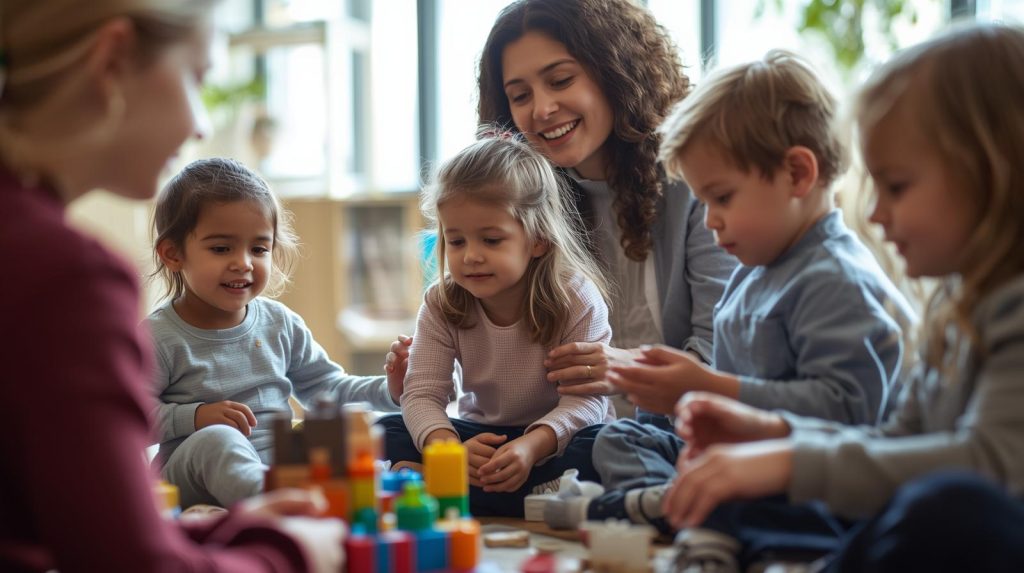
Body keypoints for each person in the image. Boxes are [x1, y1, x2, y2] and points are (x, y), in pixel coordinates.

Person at [662, 24, 1024, 573]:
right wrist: (770, 433)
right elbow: (893, 440)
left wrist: (784, 463)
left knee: (951, 508)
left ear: (994, 171)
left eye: (896, 187)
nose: (875, 214)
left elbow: (993, 465)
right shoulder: (956, 304)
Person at [0, 1, 341, 571]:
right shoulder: (63, 277)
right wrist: (292, 550)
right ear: (112, 60)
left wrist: (232, 532)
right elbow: (134, 562)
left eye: (258, 247)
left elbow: (74, 530)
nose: (200, 125)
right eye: (198, 76)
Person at [545, 50, 916, 534]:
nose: (711, 219)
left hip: (805, 469)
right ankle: (677, 506)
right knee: (620, 437)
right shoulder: (754, 268)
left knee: (779, 508)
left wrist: (706, 387)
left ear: (798, 175)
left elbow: (849, 412)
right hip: (738, 451)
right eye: (703, 202)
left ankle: (683, 512)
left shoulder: (834, 278)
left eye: (722, 198)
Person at [386, 0, 737, 412]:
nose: (542, 110)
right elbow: (497, 367)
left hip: (672, 433)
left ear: (615, 72)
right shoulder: (521, 203)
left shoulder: (696, 184)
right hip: (548, 443)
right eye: (520, 95)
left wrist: (626, 368)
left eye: (561, 80)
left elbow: (723, 358)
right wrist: (417, 379)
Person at [378, 132, 614, 517]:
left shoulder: (576, 297)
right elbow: (421, 394)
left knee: (607, 442)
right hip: (479, 442)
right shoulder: (442, 302)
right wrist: (446, 449)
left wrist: (531, 446)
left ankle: (445, 490)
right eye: (456, 241)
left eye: (490, 240)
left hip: (552, 441)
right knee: (384, 432)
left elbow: (587, 400)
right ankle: (537, 497)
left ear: (537, 240)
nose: (471, 257)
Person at [148, 157, 403, 508]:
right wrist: (193, 417)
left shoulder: (279, 322)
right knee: (218, 439)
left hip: (277, 466)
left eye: (258, 248)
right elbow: (126, 421)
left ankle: (326, 500)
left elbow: (327, 389)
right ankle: (282, 505)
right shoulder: (158, 336)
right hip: (190, 474)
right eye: (221, 248)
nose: (244, 262)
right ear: (173, 254)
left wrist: (389, 388)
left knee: (342, 437)